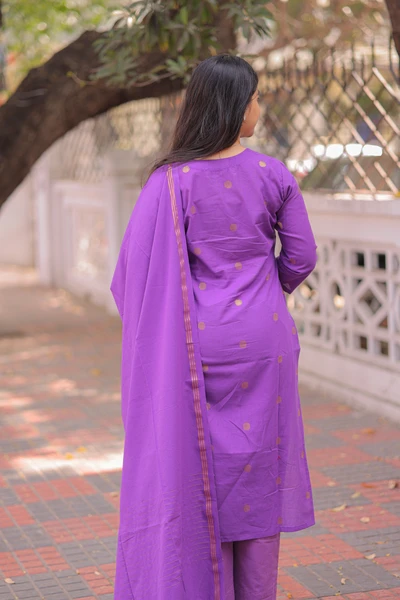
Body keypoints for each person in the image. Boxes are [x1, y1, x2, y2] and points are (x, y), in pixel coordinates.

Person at [110, 54, 318, 600]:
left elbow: (132, 276)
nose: (259, 108)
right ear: (236, 107)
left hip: (195, 342)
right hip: (265, 340)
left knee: (197, 466)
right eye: (256, 98)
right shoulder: (273, 174)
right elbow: (302, 257)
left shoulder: (169, 183)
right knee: (259, 470)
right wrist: (264, 291)